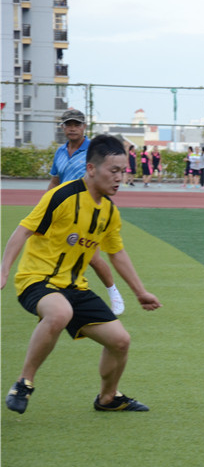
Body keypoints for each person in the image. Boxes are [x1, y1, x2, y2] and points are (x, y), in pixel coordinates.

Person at [1, 134, 162, 414]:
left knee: (120, 341)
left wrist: (140, 292)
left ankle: (108, 398)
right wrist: (3, 270)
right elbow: (24, 230)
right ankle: (23, 383)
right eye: (113, 171)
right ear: (91, 169)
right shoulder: (62, 195)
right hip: (37, 280)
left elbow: (116, 253)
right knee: (59, 312)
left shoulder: (109, 210)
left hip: (76, 288)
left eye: (123, 171)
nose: (119, 178)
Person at [46, 109, 125, 316]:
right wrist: (46, 205)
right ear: (63, 127)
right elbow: (55, 181)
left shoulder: (94, 151)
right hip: (64, 210)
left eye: (77, 124)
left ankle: (114, 293)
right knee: (57, 252)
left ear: (84, 127)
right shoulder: (60, 152)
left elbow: (107, 175)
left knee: (92, 257)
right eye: (68, 124)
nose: (72, 128)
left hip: (88, 210)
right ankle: (58, 294)